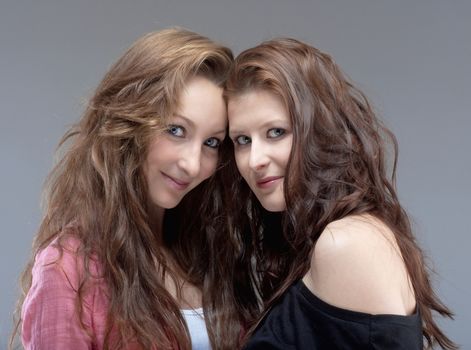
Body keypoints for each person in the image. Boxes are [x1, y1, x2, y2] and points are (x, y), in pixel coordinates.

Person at [11, 28, 245, 350]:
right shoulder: (68, 268)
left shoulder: (208, 252)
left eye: (211, 142)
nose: (193, 164)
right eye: (176, 130)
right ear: (128, 124)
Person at [225, 38, 457, 349]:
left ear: (319, 132)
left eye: (276, 132)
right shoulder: (332, 238)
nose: (255, 160)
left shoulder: (344, 243)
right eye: (242, 140)